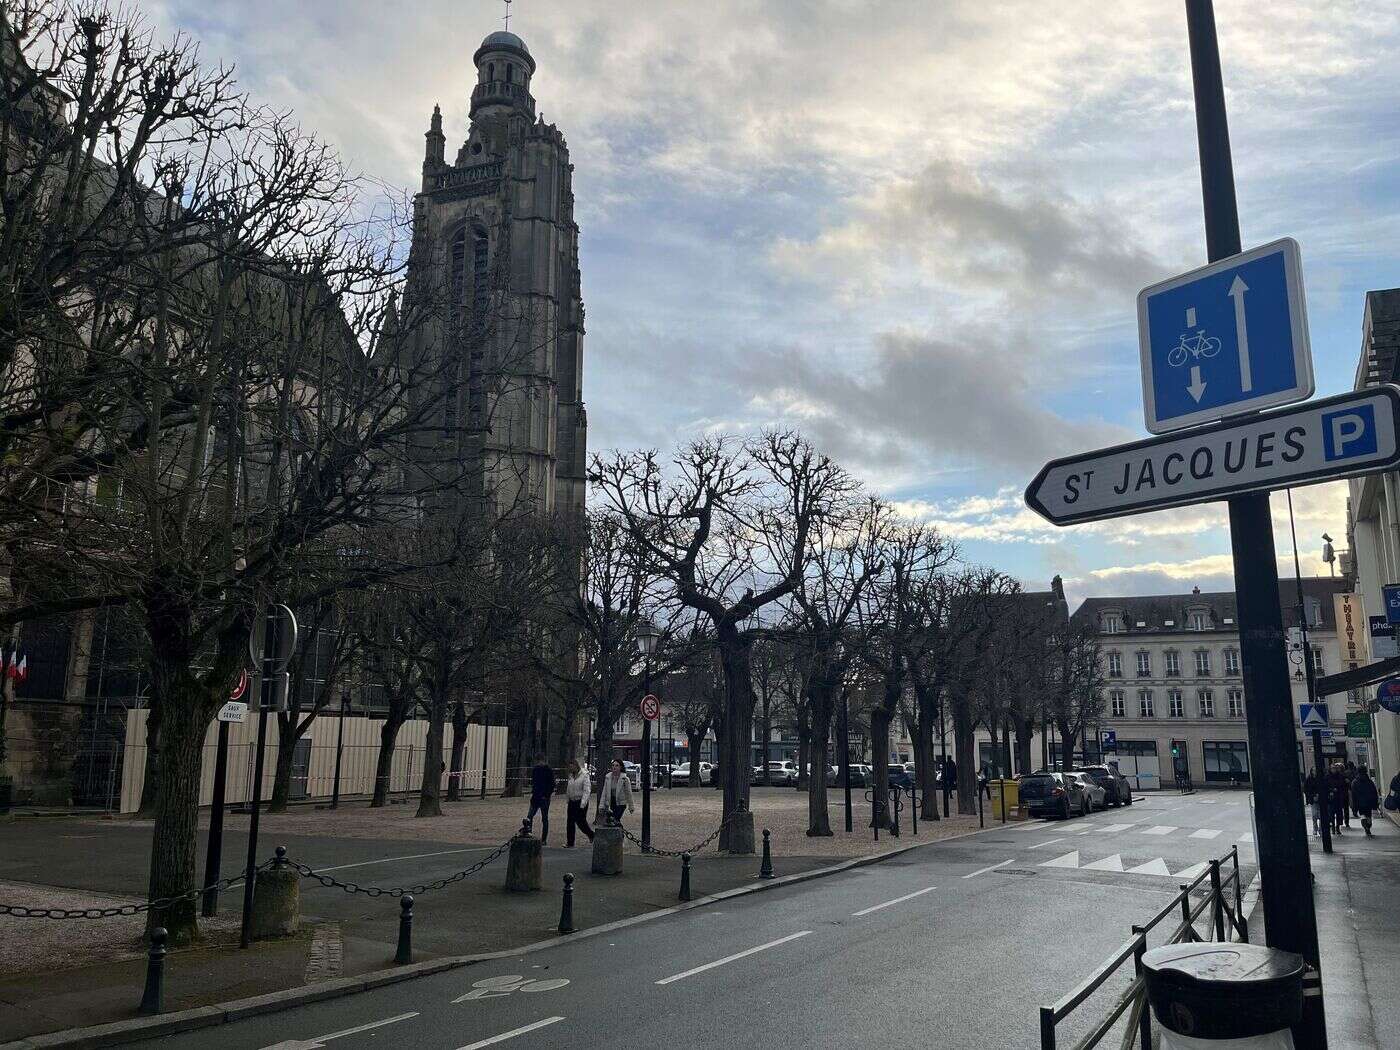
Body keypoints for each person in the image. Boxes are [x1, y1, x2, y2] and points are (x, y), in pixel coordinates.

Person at [526, 753, 556, 844]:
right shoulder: (536, 770)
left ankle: (543, 839)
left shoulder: (547, 770)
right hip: (537, 797)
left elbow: (551, 784)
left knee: (543, 818)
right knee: (531, 817)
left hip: (542, 797)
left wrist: (546, 795)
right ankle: (530, 834)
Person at [563, 759, 594, 847]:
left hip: (580, 801)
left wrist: (583, 803)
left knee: (581, 822)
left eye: (572, 766)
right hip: (572, 801)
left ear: (576, 766)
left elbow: (587, 790)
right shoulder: (571, 776)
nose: (571, 768)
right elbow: (569, 788)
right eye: (569, 767)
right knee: (570, 822)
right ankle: (570, 842)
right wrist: (568, 798)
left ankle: (591, 834)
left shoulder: (584, 775)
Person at [599, 758, 634, 825]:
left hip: (621, 803)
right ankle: (620, 834)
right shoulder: (608, 778)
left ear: (621, 767)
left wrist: (631, 806)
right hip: (612, 802)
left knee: (615, 819)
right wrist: (601, 805)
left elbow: (628, 793)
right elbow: (604, 792)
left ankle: (619, 833)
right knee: (614, 821)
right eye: (613, 765)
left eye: (617, 765)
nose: (614, 767)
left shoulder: (625, 779)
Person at [1352, 767, 1380, 838]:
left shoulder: (1355, 782)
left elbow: (1353, 795)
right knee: (1368, 815)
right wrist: (1375, 803)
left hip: (1360, 803)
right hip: (1369, 802)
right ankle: (1368, 825)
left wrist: (1354, 807)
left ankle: (1365, 826)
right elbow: (1374, 792)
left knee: (1362, 815)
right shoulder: (1369, 781)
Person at [1325, 763, 1348, 835]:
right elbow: (1325, 787)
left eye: (1334, 768)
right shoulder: (1327, 777)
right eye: (1332, 768)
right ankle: (1333, 827)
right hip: (1331, 799)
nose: (1333, 770)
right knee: (1331, 814)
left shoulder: (1340, 776)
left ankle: (1337, 827)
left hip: (1338, 797)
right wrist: (1331, 790)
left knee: (1339, 813)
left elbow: (1344, 785)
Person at [1303, 769, 1321, 837]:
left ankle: (1320, 829)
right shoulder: (1309, 779)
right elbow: (1306, 789)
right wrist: (1312, 796)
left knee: (1320, 815)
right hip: (1313, 800)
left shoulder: (1319, 778)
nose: (1315, 772)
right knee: (1314, 815)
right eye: (1313, 771)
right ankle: (1315, 828)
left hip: (1320, 799)